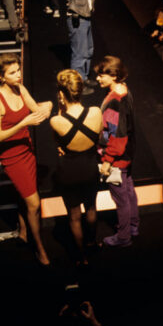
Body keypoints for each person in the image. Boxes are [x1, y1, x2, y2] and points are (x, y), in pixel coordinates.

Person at [0, 53, 52, 265]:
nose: (18, 75)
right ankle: (40, 248)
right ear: (1, 77)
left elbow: (37, 113)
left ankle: (23, 230)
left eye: (18, 70)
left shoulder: (21, 88)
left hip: (27, 150)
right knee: (34, 203)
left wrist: (48, 106)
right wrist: (22, 123)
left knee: (24, 194)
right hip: (12, 157)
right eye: (12, 72)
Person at [50, 70, 103, 265]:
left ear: (62, 94)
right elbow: (98, 138)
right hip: (90, 168)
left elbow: (59, 146)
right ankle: (91, 242)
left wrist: (60, 106)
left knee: (74, 217)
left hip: (69, 173)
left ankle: (82, 258)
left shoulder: (56, 121)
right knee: (91, 208)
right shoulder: (96, 112)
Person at [95, 56, 140, 247]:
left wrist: (107, 160)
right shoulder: (125, 90)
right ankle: (133, 226)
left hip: (116, 158)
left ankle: (123, 237)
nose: (97, 79)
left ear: (113, 76)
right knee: (128, 191)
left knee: (121, 198)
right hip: (127, 154)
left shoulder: (115, 101)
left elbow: (117, 135)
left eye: (101, 75)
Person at [59, 0, 100, 83]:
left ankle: (85, 77)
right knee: (79, 53)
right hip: (77, 17)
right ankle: (78, 83)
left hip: (85, 16)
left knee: (88, 50)